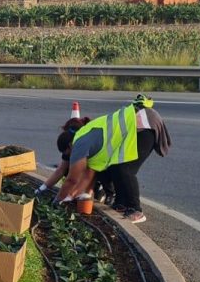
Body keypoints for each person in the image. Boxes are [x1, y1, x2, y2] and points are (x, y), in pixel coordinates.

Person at [56, 94, 170, 223]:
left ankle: (135, 209)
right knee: (113, 167)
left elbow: (75, 178)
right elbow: (91, 172)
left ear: (70, 144)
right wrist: (81, 194)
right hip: (134, 126)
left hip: (144, 125)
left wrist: (61, 199)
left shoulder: (83, 142)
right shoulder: (84, 136)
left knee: (125, 169)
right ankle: (120, 203)